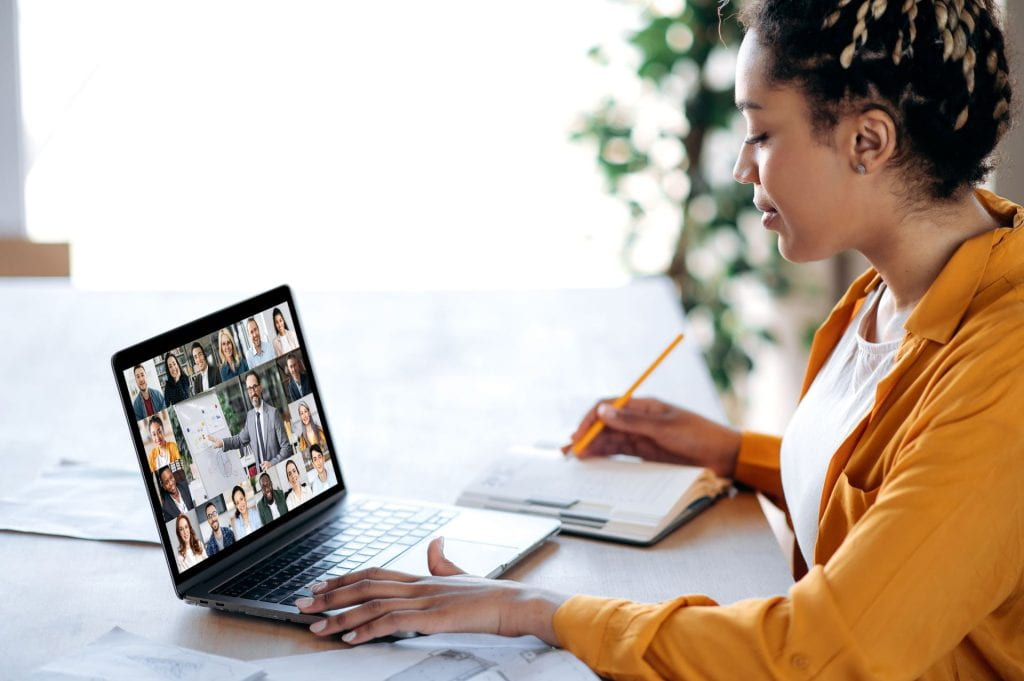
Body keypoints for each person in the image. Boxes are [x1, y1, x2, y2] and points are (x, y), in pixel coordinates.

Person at [294, 2, 1024, 678]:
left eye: (762, 132)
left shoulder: (1004, 368)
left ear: (868, 140)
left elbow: (823, 651)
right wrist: (735, 452)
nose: (742, 166)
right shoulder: (893, 289)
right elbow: (908, 491)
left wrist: (539, 611)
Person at [209, 371, 292, 471]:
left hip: (277, 469)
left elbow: (286, 448)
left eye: (255, 387)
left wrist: (272, 463)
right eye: (249, 389)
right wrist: (223, 442)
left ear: (260, 388)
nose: (253, 392)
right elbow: (240, 440)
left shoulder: (273, 413)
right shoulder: (250, 416)